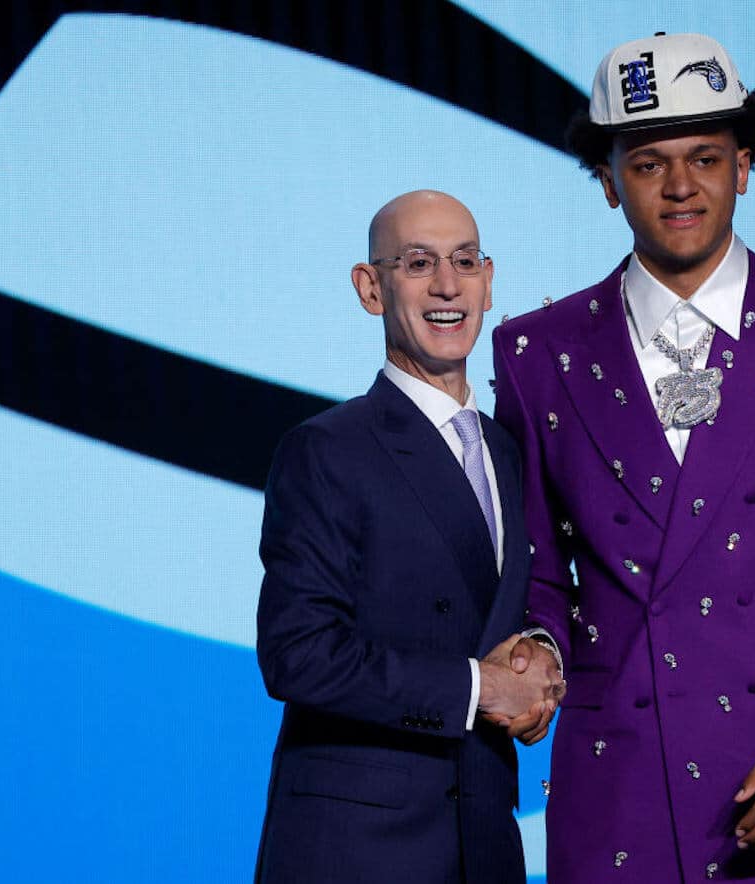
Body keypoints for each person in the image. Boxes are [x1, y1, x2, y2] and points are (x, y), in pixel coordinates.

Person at [494, 33, 755, 884]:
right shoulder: (538, 351)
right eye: (649, 164)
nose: (681, 186)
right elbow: (536, 570)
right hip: (619, 795)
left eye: (706, 158)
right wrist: (535, 650)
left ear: (745, 165)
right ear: (607, 179)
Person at [255, 190, 563, 884]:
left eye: (463, 262)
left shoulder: (510, 452)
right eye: (419, 263)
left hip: (483, 832)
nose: (447, 286)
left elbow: (527, 597)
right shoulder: (328, 449)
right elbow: (296, 653)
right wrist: (477, 689)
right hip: (359, 846)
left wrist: (538, 659)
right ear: (371, 289)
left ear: (488, 280)